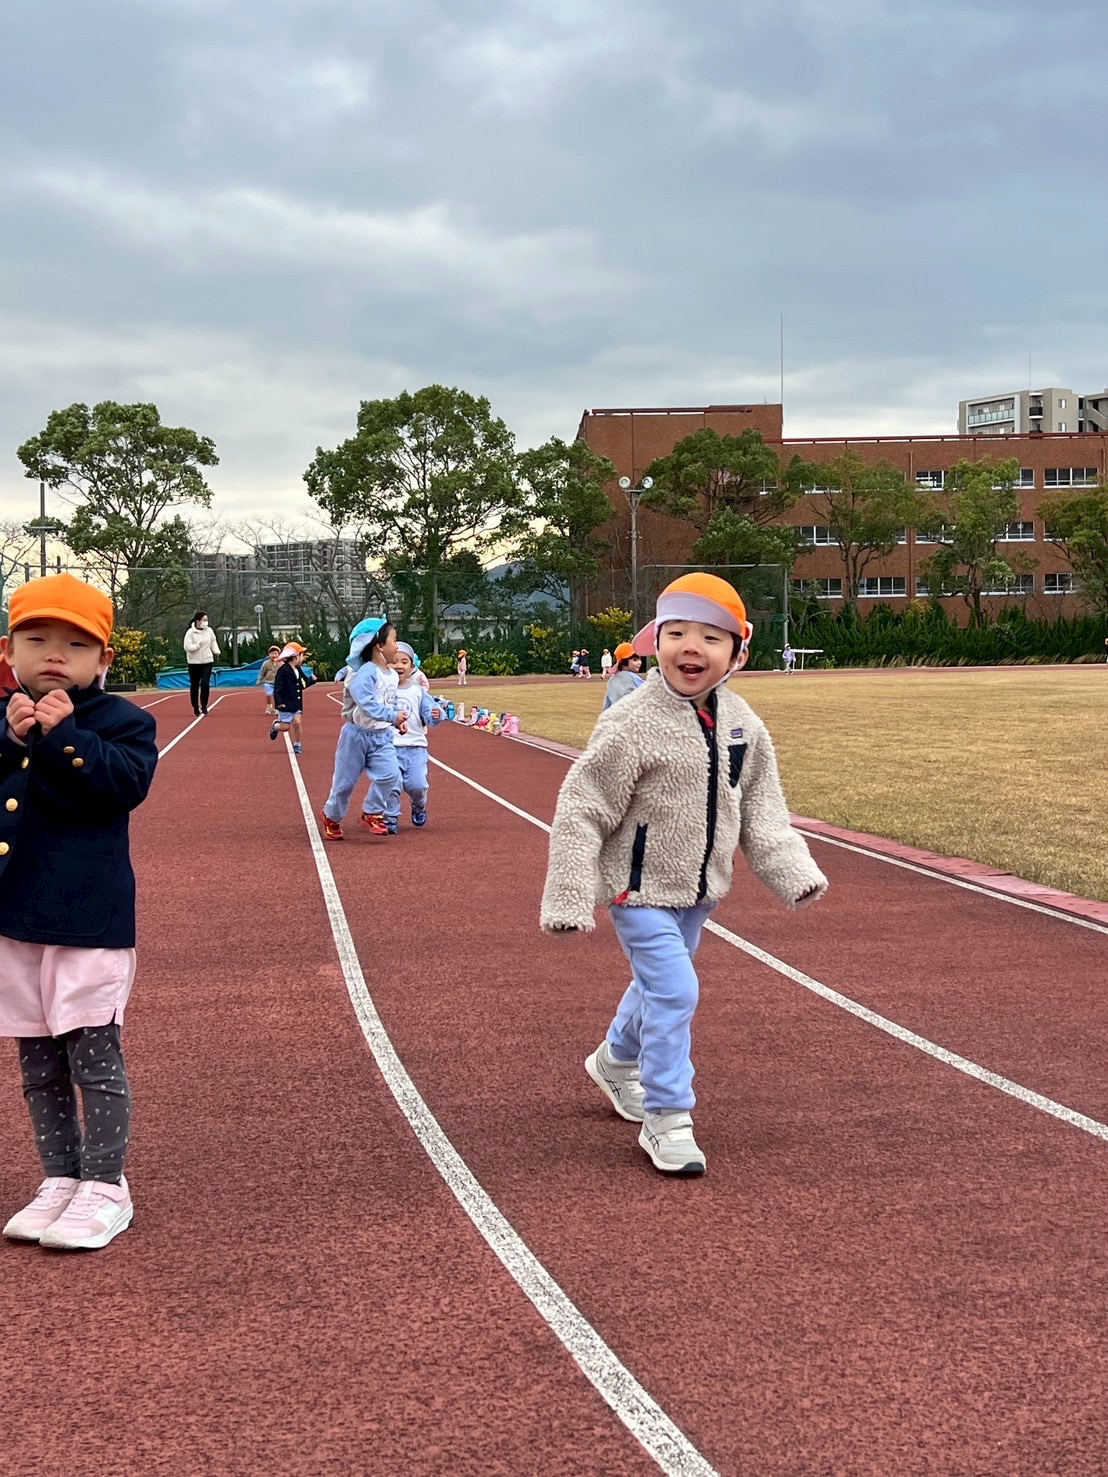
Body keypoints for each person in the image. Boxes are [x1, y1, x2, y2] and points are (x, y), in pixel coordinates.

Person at [540, 573, 828, 1177]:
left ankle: (615, 1060)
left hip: (699, 892)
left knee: (656, 987)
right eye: (676, 634)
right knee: (676, 991)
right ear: (656, 643)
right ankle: (668, 1115)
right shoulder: (632, 722)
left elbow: (761, 810)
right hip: (638, 889)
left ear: (737, 653)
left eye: (710, 637)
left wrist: (792, 870)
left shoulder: (744, 725)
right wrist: (570, 894)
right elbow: (583, 806)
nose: (691, 647)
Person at [0, 573, 159, 1249]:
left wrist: (66, 736)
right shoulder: (2, 719)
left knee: (92, 1057)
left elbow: (126, 784)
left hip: (89, 922)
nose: (55, 654)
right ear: (9, 650)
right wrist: (12, 743)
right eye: (37, 639)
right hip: (16, 919)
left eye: (76, 643)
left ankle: (106, 1184)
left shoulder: (123, 722)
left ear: (104, 659)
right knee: (37, 1064)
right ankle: (60, 1177)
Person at [320, 618, 406, 840]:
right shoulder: (367, 672)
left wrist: (397, 719)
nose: (397, 646)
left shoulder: (392, 675)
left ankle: (372, 811)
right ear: (379, 645)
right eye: (394, 640)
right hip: (356, 737)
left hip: (381, 737)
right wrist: (391, 716)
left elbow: (390, 701)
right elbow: (366, 703)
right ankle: (331, 816)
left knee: (391, 775)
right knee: (344, 784)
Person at [392, 643, 443, 827]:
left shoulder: (417, 691)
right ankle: (390, 817)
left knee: (418, 785)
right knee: (391, 784)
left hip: (415, 747)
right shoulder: (382, 690)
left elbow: (430, 713)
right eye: (393, 661)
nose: (399, 666)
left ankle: (419, 805)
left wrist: (436, 715)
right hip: (389, 746)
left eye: (404, 662)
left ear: (412, 667)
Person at [269, 643, 315, 755]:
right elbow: (277, 688)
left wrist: (311, 680)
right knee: (285, 727)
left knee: (297, 722)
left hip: (297, 703)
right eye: (302, 655)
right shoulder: (283, 670)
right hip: (286, 704)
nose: (303, 658)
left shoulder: (298, 669)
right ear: (295, 656)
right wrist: (279, 702)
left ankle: (297, 744)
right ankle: (275, 727)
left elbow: (302, 684)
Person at [183, 611, 220, 717]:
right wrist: (196, 646)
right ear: (198, 621)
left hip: (207, 661)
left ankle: (204, 705)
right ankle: (195, 706)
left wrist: (216, 651)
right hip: (194, 662)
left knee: (205, 683)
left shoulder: (209, 631)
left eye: (206, 620)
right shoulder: (190, 632)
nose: (206, 622)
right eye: (204, 620)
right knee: (194, 685)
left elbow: (213, 642)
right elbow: (186, 647)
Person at [602, 642, 645, 709]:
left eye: (639, 659)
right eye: (635, 660)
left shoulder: (611, 681)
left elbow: (607, 706)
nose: (639, 662)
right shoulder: (633, 678)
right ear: (624, 664)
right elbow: (648, 694)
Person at [256, 644, 282, 715]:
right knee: (269, 695)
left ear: (278, 654)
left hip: (278, 684)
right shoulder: (266, 663)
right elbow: (262, 672)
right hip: (268, 683)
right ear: (269, 654)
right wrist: (259, 680)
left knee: (277, 696)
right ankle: (269, 706)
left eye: (275, 653)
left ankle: (275, 709)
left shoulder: (281, 663)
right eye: (272, 653)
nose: (273, 655)